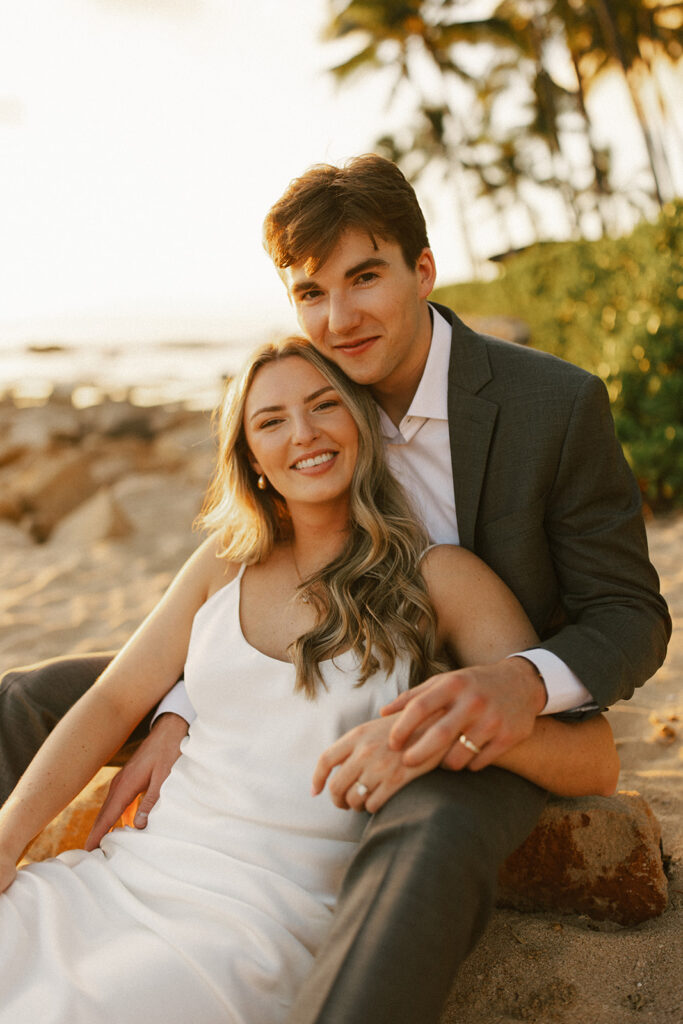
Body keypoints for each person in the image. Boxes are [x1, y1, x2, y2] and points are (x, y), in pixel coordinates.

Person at [0, 155, 670, 1022]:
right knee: (31, 693)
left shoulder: (550, 405)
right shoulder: (322, 391)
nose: (339, 317)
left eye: (364, 278)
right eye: (310, 292)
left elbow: (627, 612)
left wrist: (518, 683)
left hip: (490, 687)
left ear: (422, 272)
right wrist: (187, 703)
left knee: (425, 833)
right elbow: (231, 583)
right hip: (307, 654)